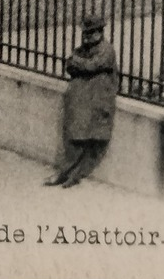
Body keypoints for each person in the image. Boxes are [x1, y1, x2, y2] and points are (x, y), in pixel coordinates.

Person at [46, 15, 118, 188]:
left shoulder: (107, 50)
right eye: (85, 33)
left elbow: (93, 65)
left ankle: (75, 174)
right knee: (76, 135)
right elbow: (70, 65)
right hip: (83, 100)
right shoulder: (83, 49)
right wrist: (80, 63)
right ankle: (66, 172)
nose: (87, 37)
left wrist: (79, 63)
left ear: (99, 33)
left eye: (91, 33)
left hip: (99, 99)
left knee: (93, 139)